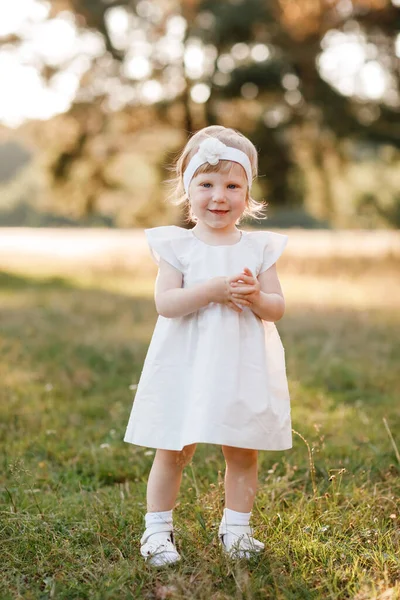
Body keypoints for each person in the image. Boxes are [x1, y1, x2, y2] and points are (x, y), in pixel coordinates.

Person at [124, 125, 292, 567]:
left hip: (241, 363)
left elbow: (276, 307)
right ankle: (157, 531)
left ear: (248, 194)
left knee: (243, 447)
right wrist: (214, 290)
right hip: (187, 361)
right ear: (188, 191)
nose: (219, 196)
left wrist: (255, 296)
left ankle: (236, 529)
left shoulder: (259, 248)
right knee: (174, 447)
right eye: (207, 184)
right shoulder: (177, 245)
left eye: (233, 185)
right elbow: (167, 303)